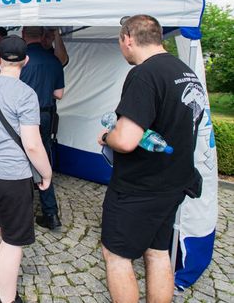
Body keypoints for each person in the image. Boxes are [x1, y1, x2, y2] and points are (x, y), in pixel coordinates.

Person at [97, 15, 205, 303]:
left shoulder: (144, 74)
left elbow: (126, 140)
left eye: (120, 42)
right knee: (157, 253)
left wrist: (107, 137)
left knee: (116, 255)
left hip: (140, 187)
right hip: (174, 181)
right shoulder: (185, 72)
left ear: (128, 39)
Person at [0, 36, 52, 303]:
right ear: (25, 61)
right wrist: (47, 173)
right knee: (12, 240)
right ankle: (7, 298)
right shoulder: (27, 95)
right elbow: (33, 145)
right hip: (11, 176)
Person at [20, 26, 65, 230]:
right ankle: (51, 213)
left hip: (23, 116)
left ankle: (20, 212)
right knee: (43, 158)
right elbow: (59, 94)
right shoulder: (54, 60)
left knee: (20, 159)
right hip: (46, 115)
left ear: (23, 35)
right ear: (41, 35)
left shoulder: (21, 59)